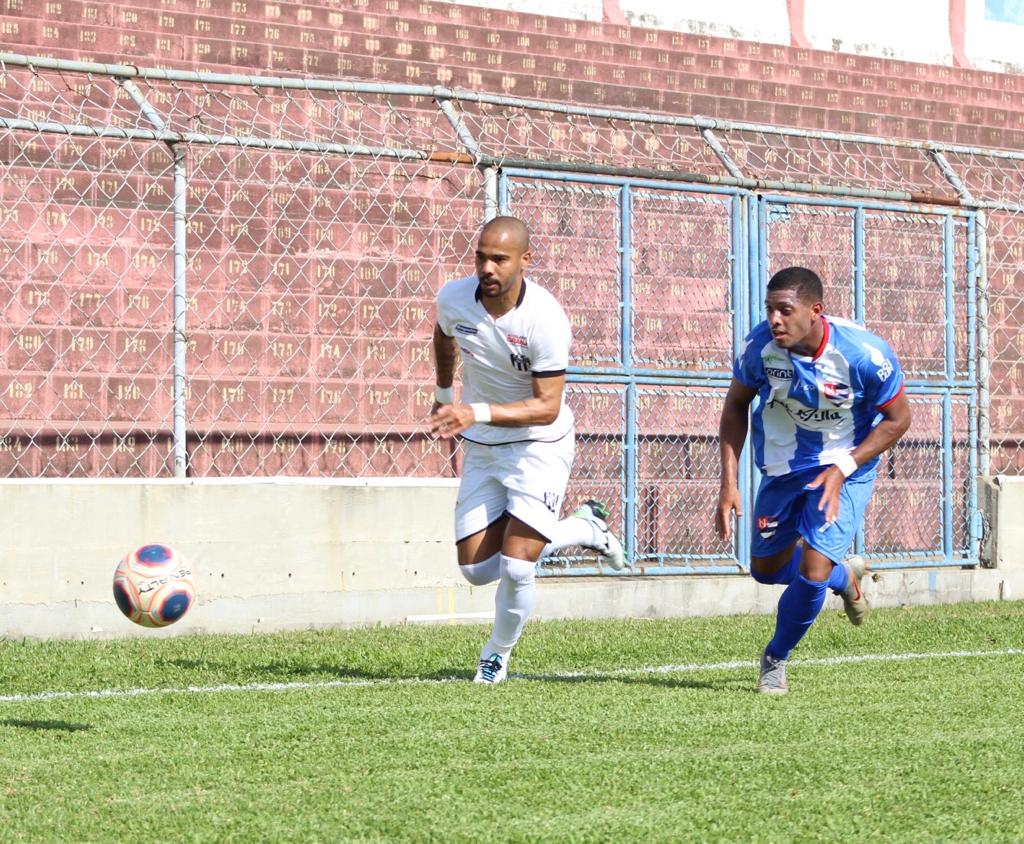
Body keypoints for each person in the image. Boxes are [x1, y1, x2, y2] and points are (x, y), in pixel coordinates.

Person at [429, 215, 625, 685]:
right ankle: (582, 527)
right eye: (480, 257)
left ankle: (495, 656)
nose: (487, 268)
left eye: (499, 258)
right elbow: (443, 336)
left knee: (518, 567)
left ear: (524, 261)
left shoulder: (546, 318)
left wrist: (474, 412)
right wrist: (442, 397)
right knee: (476, 571)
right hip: (484, 446)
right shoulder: (454, 298)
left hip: (540, 445)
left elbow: (546, 406)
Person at [716, 266, 912, 695]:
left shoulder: (864, 354)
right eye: (770, 310)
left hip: (845, 470)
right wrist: (728, 484)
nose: (774, 320)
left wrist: (844, 467)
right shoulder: (760, 348)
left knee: (811, 568)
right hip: (784, 470)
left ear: (815, 310)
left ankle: (775, 657)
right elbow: (734, 408)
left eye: (785, 310)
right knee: (765, 571)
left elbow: (898, 420)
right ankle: (844, 578)